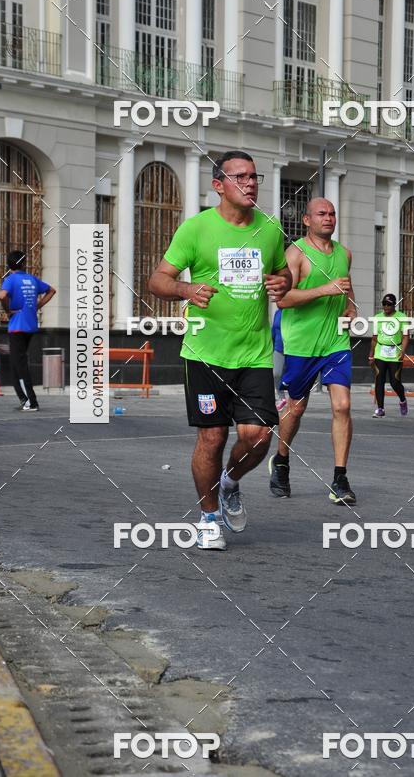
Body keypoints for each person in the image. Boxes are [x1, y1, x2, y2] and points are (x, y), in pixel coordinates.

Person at [149, 151, 291, 551]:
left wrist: (282, 284)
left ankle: (229, 482)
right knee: (211, 438)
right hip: (206, 354)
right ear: (219, 185)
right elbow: (157, 279)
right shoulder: (196, 229)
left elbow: (283, 272)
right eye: (240, 177)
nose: (250, 183)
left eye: (254, 176)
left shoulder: (268, 229)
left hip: (254, 353)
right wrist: (185, 289)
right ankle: (208, 518)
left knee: (260, 436)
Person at [267, 198, 357, 504]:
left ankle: (340, 478)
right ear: (307, 220)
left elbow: (347, 288)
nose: (329, 218)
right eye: (322, 214)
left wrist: (351, 309)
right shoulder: (295, 254)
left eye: (332, 213)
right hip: (300, 345)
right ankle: (281, 460)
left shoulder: (344, 253)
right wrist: (324, 290)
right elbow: (282, 299)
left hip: (335, 342)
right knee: (296, 408)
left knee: (342, 406)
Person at [0, 250, 56, 411]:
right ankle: (24, 400)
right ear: (24, 264)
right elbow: (51, 290)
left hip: (17, 326)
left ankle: (31, 401)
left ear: (9, 265)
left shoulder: (10, 280)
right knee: (16, 363)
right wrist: (37, 306)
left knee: (20, 364)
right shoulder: (32, 279)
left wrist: (8, 311)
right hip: (30, 325)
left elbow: (2, 296)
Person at [370, 293, 410, 418]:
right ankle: (380, 409)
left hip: (395, 353)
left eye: (389, 304)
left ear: (394, 305)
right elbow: (374, 338)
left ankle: (402, 400)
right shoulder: (378, 317)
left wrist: (402, 351)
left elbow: (405, 337)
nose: (386, 307)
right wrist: (371, 355)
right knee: (379, 380)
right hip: (380, 352)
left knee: (395, 382)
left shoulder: (402, 317)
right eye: (384, 304)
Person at [271, 308, 287, 412]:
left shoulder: (292, 311)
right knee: (276, 373)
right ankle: (282, 398)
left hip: (292, 349)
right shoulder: (277, 312)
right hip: (278, 348)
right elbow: (274, 330)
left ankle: (294, 399)